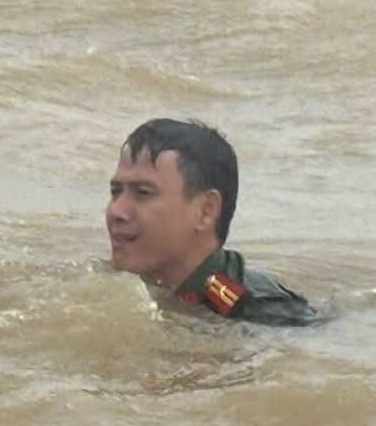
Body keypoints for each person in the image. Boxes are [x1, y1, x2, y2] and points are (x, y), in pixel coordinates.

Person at [105, 118, 319, 327]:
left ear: (205, 211)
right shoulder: (111, 289)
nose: (116, 211)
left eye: (143, 193)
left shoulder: (263, 316)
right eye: (116, 192)